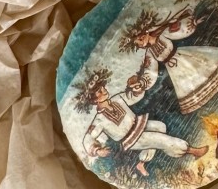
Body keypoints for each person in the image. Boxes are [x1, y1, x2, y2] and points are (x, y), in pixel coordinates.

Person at [74, 67, 207, 178]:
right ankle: (192, 151)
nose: (103, 90)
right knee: (161, 140)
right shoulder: (99, 120)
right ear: (94, 100)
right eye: (99, 91)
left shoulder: (116, 99)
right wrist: (97, 151)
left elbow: (131, 96)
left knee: (161, 126)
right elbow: (87, 137)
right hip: (131, 139)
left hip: (139, 125)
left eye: (102, 87)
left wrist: (137, 88)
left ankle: (141, 163)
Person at [119, 6, 218, 114]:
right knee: (194, 83)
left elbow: (178, 30)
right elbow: (151, 68)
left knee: (208, 71)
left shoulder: (162, 34)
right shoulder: (149, 53)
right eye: (139, 44)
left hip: (184, 57)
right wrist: (142, 82)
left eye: (140, 39)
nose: (141, 43)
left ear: (145, 33)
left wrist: (193, 22)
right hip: (174, 70)